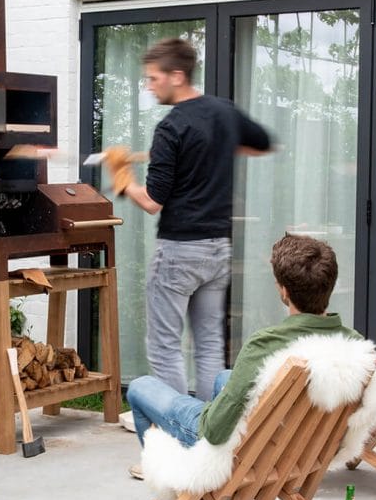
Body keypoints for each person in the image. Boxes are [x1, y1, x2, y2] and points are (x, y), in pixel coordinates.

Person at [128, 233, 362, 500]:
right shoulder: (354, 345)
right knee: (224, 379)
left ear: (284, 291)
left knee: (141, 388)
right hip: (299, 452)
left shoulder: (266, 346)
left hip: (249, 454)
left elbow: (213, 430)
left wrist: (208, 411)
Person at [105, 37, 272, 428]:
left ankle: (175, 433)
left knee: (165, 346)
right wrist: (219, 148)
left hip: (180, 250)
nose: (149, 86)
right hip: (217, 250)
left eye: (153, 78)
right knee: (209, 344)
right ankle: (214, 431)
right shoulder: (223, 113)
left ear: (176, 76)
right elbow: (262, 144)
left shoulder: (172, 128)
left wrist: (123, 178)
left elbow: (152, 202)